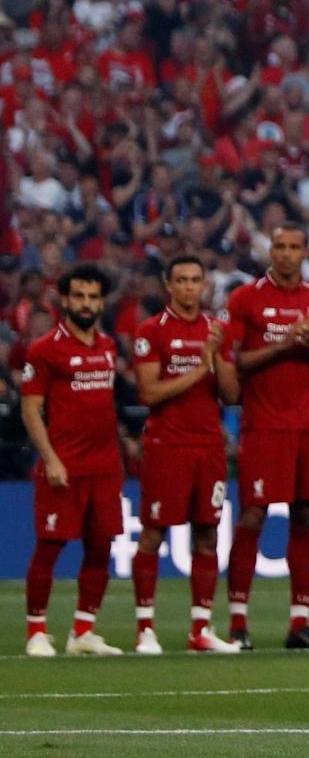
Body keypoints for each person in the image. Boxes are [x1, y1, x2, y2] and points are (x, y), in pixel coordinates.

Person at [222, 224, 309, 649]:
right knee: (253, 516)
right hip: (263, 426)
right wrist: (284, 343)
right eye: (280, 247)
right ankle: (238, 623)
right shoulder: (245, 299)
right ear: (269, 251)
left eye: (295, 247)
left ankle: (300, 624)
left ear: (306, 252)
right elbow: (234, 362)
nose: (287, 254)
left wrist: (308, 345)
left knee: (307, 517)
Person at [128, 255, 239, 653]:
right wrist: (199, 368)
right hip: (167, 445)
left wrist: (219, 357)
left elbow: (231, 394)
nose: (190, 286)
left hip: (208, 445)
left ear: (204, 284)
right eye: (182, 280)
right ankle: (145, 630)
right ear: (168, 286)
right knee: (154, 534)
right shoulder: (150, 331)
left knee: (207, 536)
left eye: (196, 279)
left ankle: (201, 630)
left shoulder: (215, 330)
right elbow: (149, 392)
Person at [17, 266, 123, 656]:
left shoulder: (109, 346)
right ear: (64, 300)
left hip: (105, 468)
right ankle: (36, 633)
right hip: (63, 466)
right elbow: (31, 410)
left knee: (101, 548)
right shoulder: (45, 348)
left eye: (93, 297)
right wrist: (52, 459)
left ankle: (82, 632)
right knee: (50, 547)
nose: (86, 304)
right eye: (78, 296)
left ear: (101, 302)